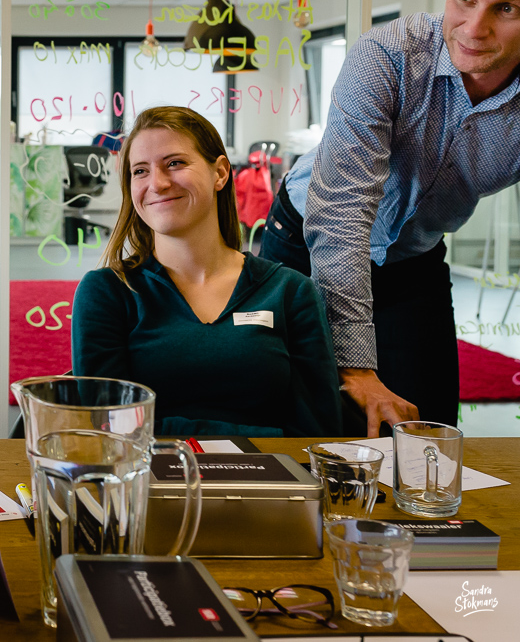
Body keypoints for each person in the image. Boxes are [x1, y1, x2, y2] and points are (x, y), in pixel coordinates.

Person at [259, 0, 520, 436]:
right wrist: (356, 369)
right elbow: (343, 215)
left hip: (414, 255)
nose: (474, 27)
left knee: (428, 427)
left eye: (506, 8)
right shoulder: (386, 54)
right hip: (308, 233)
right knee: (294, 412)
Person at [71, 106, 341, 437]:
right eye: (140, 171)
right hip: (148, 483)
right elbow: (111, 427)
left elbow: (317, 431)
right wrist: (258, 435)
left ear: (220, 173)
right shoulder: (108, 292)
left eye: (175, 163)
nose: (157, 183)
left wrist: (162, 429)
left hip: (270, 485)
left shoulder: (290, 292)